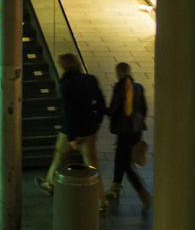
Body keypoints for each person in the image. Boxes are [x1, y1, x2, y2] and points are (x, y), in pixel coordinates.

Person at [36, 52, 108, 194]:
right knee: (93, 164)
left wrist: (71, 137)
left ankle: (50, 184)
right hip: (90, 128)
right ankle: (100, 199)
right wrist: (98, 121)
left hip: (72, 129)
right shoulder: (90, 79)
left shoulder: (66, 85)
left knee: (60, 156)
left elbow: (69, 112)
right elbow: (101, 102)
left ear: (64, 66)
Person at [106, 62, 151, 213]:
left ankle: (143, 194)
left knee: (125, 164)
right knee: (120, 159)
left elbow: (112, 110)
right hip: (136, 130)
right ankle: (115, 188)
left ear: (118, 73)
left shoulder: (119, 88)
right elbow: (144, 109)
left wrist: (100, 110)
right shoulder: (138, 87)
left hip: (124, 132)